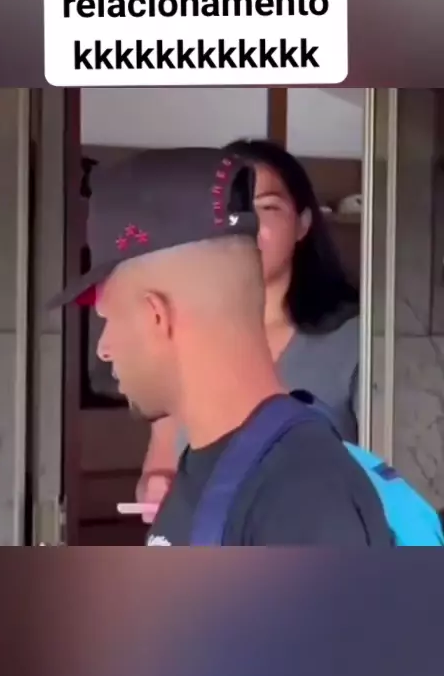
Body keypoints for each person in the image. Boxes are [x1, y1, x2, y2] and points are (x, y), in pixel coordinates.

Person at [49, 146, 391, 547]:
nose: (103, 349)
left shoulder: (301, 496)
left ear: (157, 315)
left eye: (109, 319)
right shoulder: (200, 462)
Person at [137, 139, 360, 523]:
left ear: (302, 224)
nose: (247, 223)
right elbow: (159, 469)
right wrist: (156, 487)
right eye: (233, 207)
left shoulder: (356, 341)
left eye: (267, 207)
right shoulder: (179, 338)